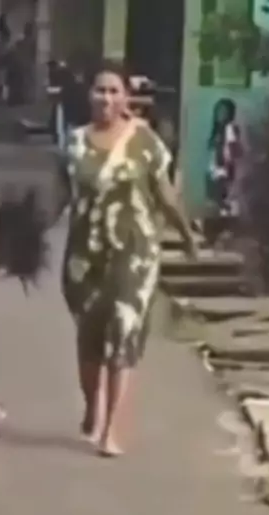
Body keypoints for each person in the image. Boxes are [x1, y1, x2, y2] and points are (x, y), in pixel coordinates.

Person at [61, 59, 197, 458]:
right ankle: (92, 406)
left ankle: (111, 429)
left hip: (134, 253)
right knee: (90, 338)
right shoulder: (74, 143)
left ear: (126, 97)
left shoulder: (145, 141)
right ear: (88, 95)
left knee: (124, 332)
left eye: (113, 91)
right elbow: (59, 194)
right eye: (99, 90)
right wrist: (26, 231)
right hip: (85, 255)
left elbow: (164, 193)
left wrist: (186, 235)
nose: (105, 98)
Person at [206, 98, 243, 218]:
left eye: (224, 111)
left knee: (224, 197)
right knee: (216, 198)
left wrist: (229, 163)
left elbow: (234, 148)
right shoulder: (217, 130)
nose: (221, 114)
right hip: (215, 168)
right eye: (219, 111)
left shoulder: (230, 128)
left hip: (224, 168)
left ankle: (228, 216)